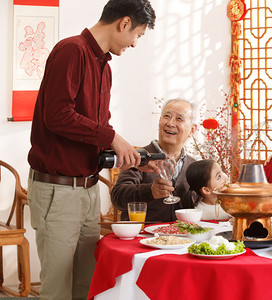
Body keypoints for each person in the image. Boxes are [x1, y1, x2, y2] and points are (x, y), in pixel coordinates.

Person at [26, 1, 156, 299]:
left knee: (87, 287)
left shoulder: (104, 67)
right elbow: (57, 115)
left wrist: (135, 158)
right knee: (58, 289)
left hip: (87, 190)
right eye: (138, 35)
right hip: (58, 192)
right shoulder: (71, 51)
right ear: (124, 23)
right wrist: (112, 137)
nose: (135, 44)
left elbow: (94, 132)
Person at [111, 99, 198, 222]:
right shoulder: (139, 157)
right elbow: (117, 197)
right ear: (159, 122)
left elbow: (200, 205)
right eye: (167, 116)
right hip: (143, 236)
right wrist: (150, 191)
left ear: (192, 130)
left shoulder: (194, 166)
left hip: (183, 238)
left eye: (179, 119)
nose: (170, 123)